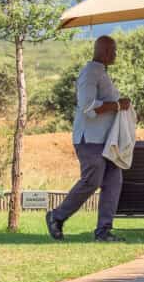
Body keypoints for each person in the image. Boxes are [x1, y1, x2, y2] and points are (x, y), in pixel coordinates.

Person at [45, 36, 131, 242]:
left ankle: (103, 232)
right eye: (113, 51)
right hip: (90, 139)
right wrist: (117, 105)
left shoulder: (101, 72)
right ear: (105, 51)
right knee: (92, 181)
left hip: (106, 140)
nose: (115, 54)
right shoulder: (90, 72)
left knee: (113, 182)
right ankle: (57, 216)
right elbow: (87, 106)